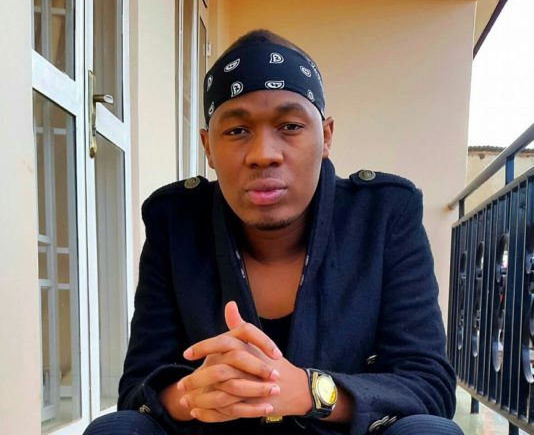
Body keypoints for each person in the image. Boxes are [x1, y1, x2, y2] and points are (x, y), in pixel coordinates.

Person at [84, 29, 462, 435]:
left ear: (326, 136)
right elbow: (138, 389)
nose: (264, 154)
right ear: (208, 147)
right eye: (237, 131)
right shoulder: (176, 222)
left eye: (290, 126)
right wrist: (192, 395)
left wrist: (311, 391)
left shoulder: (382, 217)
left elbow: (429, 386)